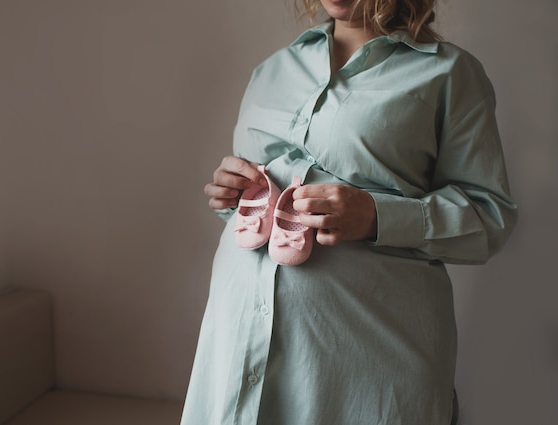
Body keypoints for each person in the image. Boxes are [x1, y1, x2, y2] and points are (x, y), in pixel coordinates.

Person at [181, 0, 517, 424]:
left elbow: (490, 217)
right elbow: (256, 204)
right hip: (238, 335)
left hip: (363, 362)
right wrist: (231, 196)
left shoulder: (449, 74)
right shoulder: (273, 69)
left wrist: (378, 216)